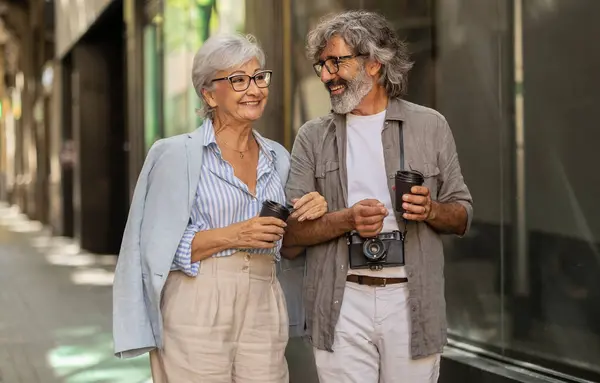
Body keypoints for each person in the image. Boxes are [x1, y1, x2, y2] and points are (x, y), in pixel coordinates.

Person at [112, 33, 327, 383]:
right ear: (209, 94)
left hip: (263, 296)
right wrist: (237, 234)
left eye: (259, 77)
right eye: (238, 80)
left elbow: (289, 246)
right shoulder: (174, 155)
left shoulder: (279, 158)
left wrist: (309, 211)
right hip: (197, 299)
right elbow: (156, 249)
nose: (254, 89)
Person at [282, 10, 473, 383]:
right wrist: (346, 219)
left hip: (411, 302)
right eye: (321, 65)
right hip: (341, 302)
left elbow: (463, 216)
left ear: (373, 63)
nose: (325, 76)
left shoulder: (430, 126)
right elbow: (288, 239)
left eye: (336, 62)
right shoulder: (312, 137)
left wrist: (431, 209)